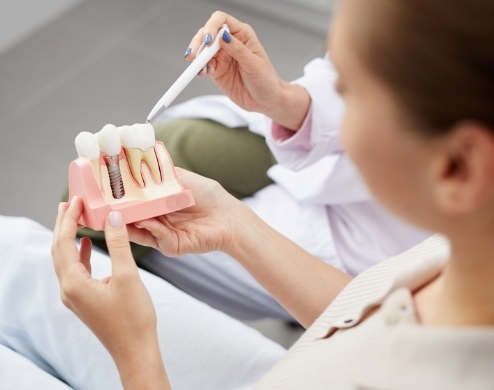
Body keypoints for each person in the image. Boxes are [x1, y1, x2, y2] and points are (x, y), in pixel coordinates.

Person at [49, 0, 494, 388]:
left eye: (349, 91)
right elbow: (369, 315)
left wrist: (136, 354)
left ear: (458, 168)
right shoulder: (453, 265)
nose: (334, 102)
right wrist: (235, 226)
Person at [72, 39, 430, 321]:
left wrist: (236, 229)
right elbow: (353, 79)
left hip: (363, 247)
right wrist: (285, 100)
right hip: (325, 150)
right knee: (164, 150)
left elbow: (366, 328)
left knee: (107, 236)